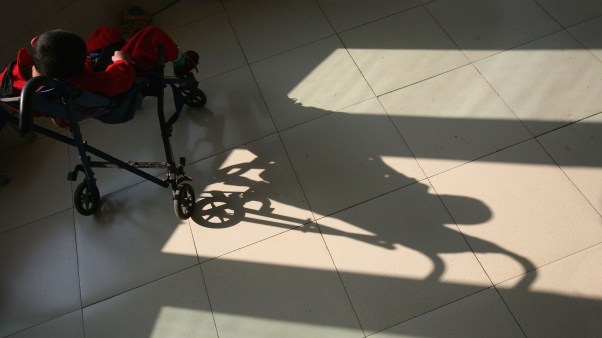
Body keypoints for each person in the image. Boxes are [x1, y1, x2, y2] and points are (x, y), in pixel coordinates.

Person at [0, 25, 199, 98]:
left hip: (83, 68)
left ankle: (123, 46)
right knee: (152, 33)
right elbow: (117, 82)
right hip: (109, 71)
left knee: (103, 33)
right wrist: (121, 61)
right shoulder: (84, 82)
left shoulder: (16, 79)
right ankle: (182, 63)